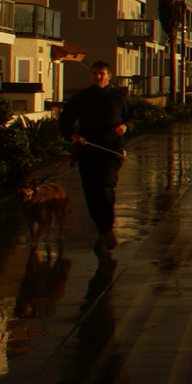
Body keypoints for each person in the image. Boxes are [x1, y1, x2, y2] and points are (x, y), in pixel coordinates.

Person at [58, 61, 135, 248]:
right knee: (91, 193)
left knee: (104, 189)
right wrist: (73, 135)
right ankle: (102, 230)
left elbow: (132, 118)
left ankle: (106, 230)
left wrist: (125, 127)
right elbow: (64, 121)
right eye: (94, 73)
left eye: (101, 73)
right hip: (87, 152)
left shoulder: (119, 97)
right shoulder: (81, 97)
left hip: (111, 152)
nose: (97, 77)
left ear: (109, 76)